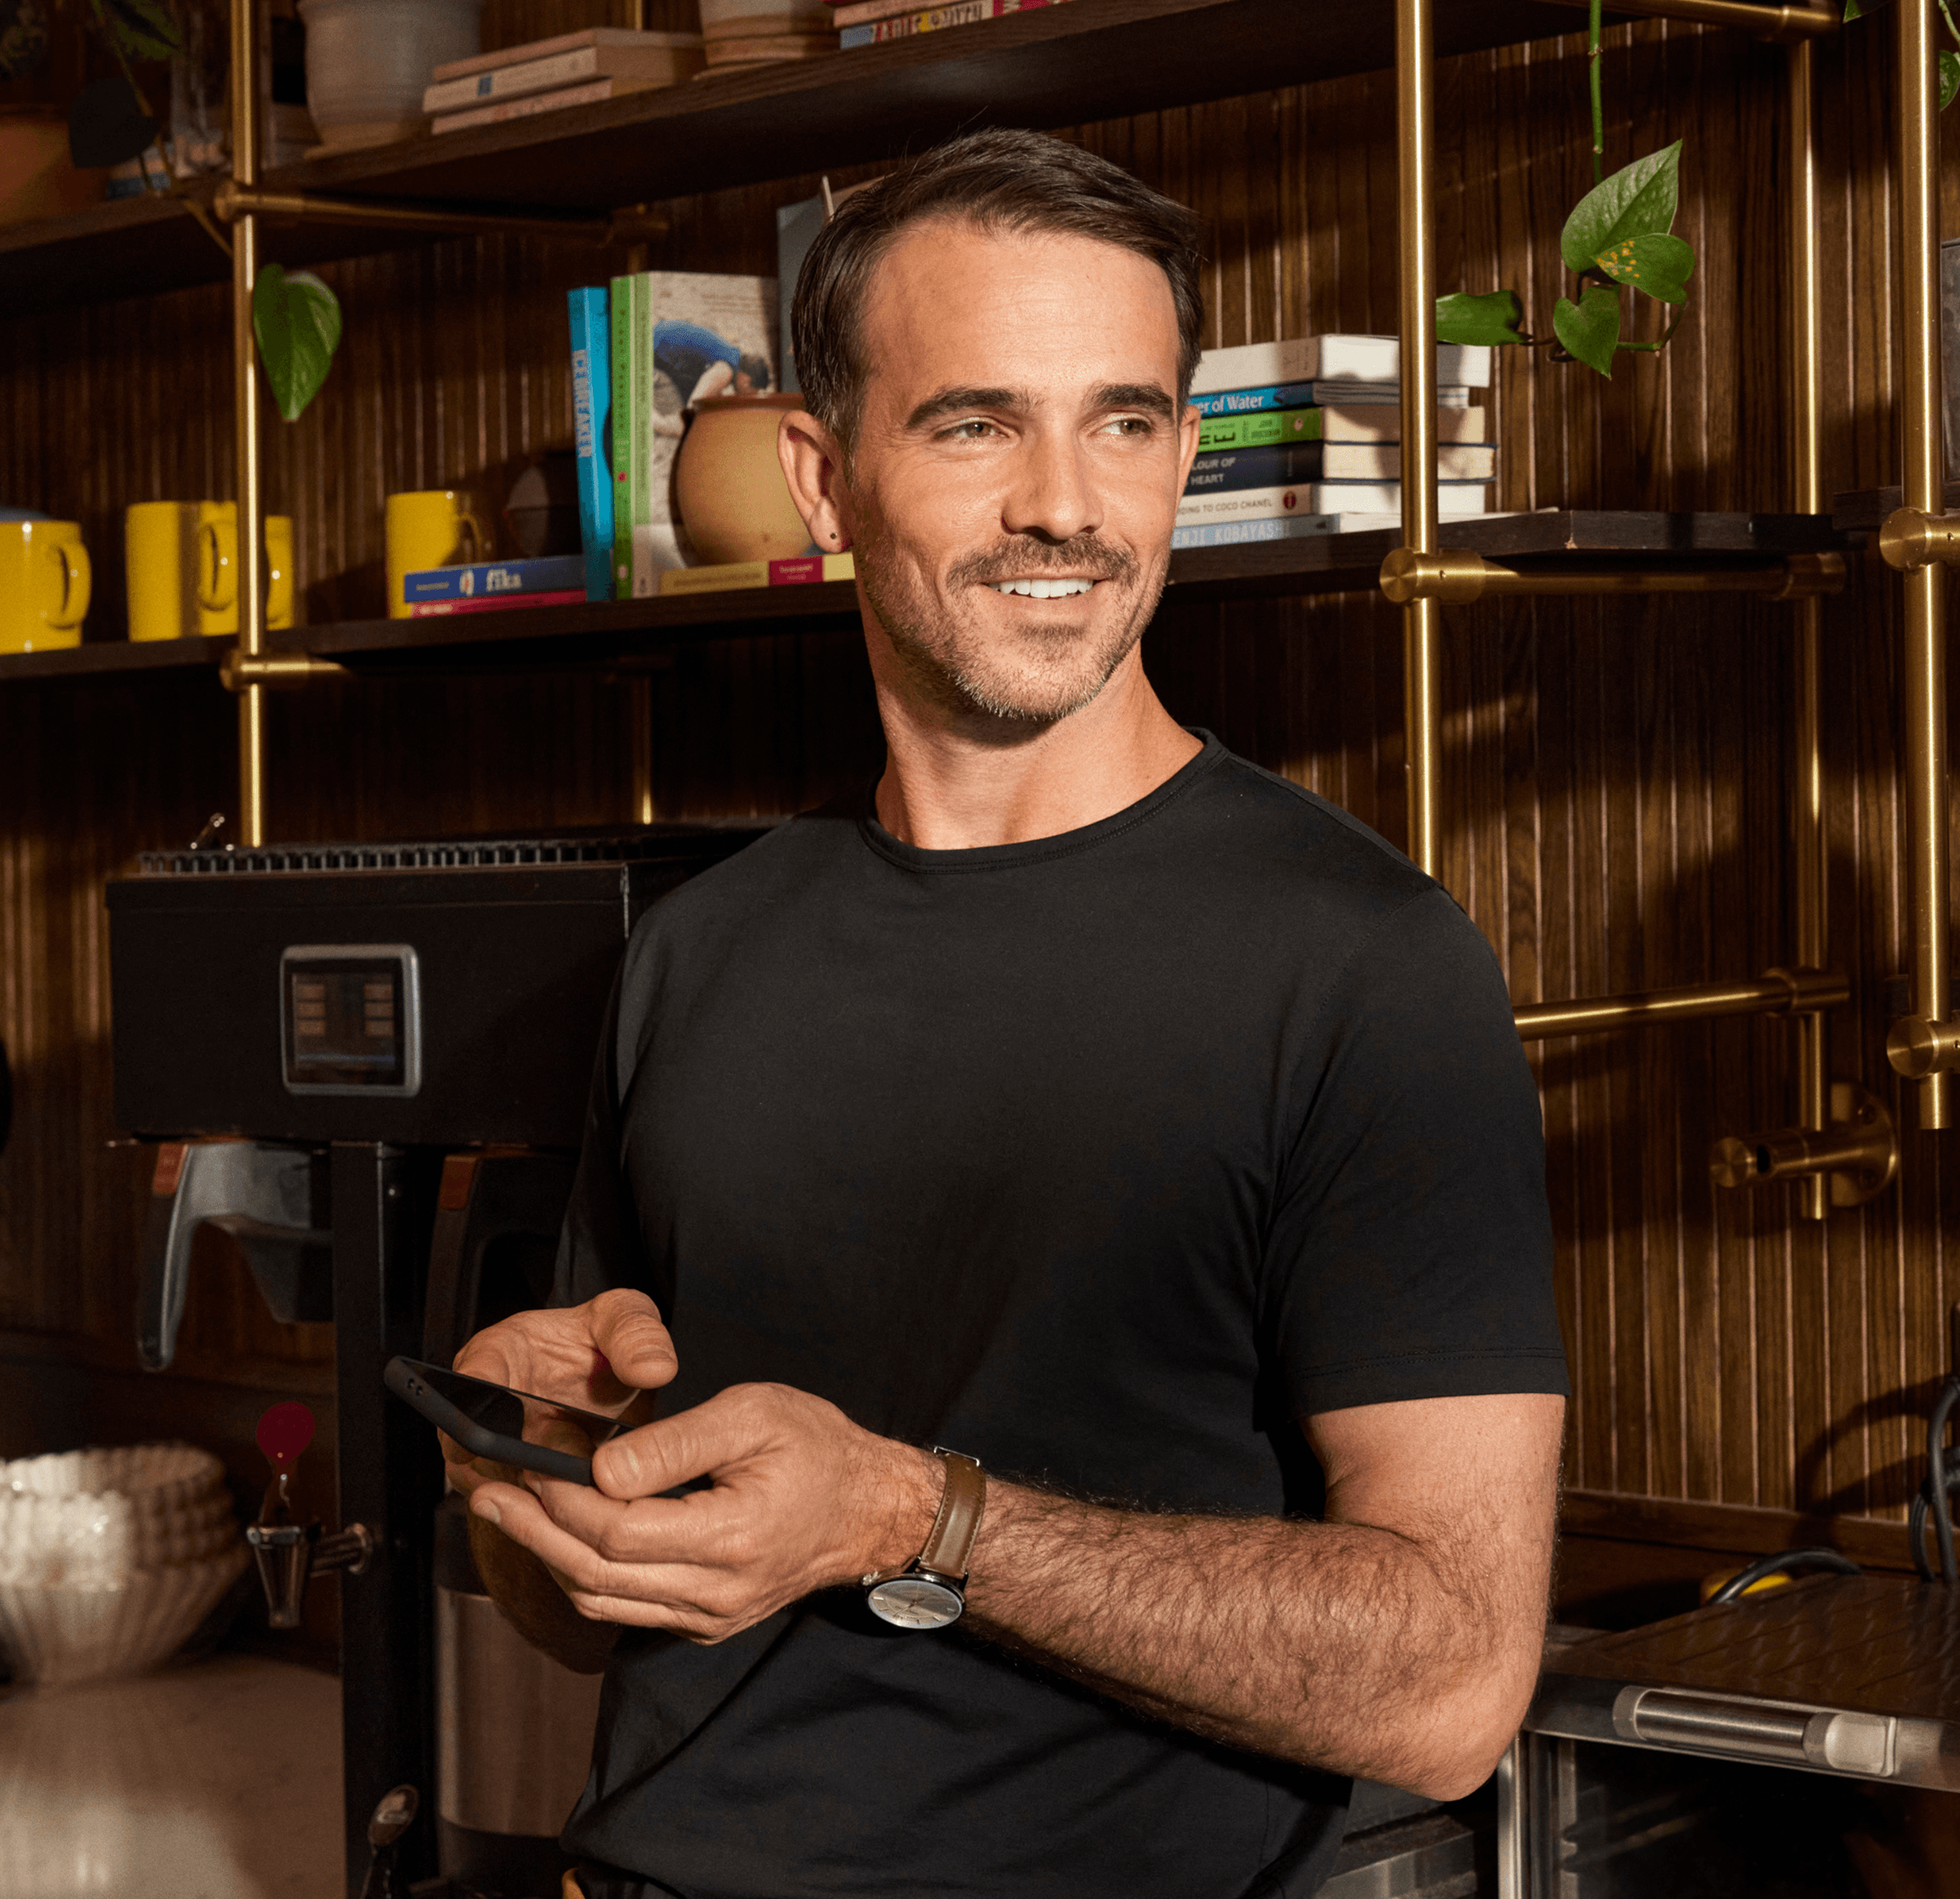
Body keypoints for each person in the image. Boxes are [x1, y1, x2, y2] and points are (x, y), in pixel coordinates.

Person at [448, 127, 1568, 1899]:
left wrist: (912, 1515)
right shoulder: (700, 950)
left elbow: (1450, 1683)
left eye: (1123, 421)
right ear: (823, 478)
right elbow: (595, 1615)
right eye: (977, 424)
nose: (1067, 502)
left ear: (1184, 455)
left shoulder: (1365, 961)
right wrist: (539, 1478)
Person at [648, 318, 771, 439]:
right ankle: (643, 415)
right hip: (652, 352)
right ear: (746, 382)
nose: (745, 397)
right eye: (750, 394)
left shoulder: (729, 357)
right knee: (684, 426)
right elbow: (692, 410)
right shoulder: (726, 370)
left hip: (658, 347)